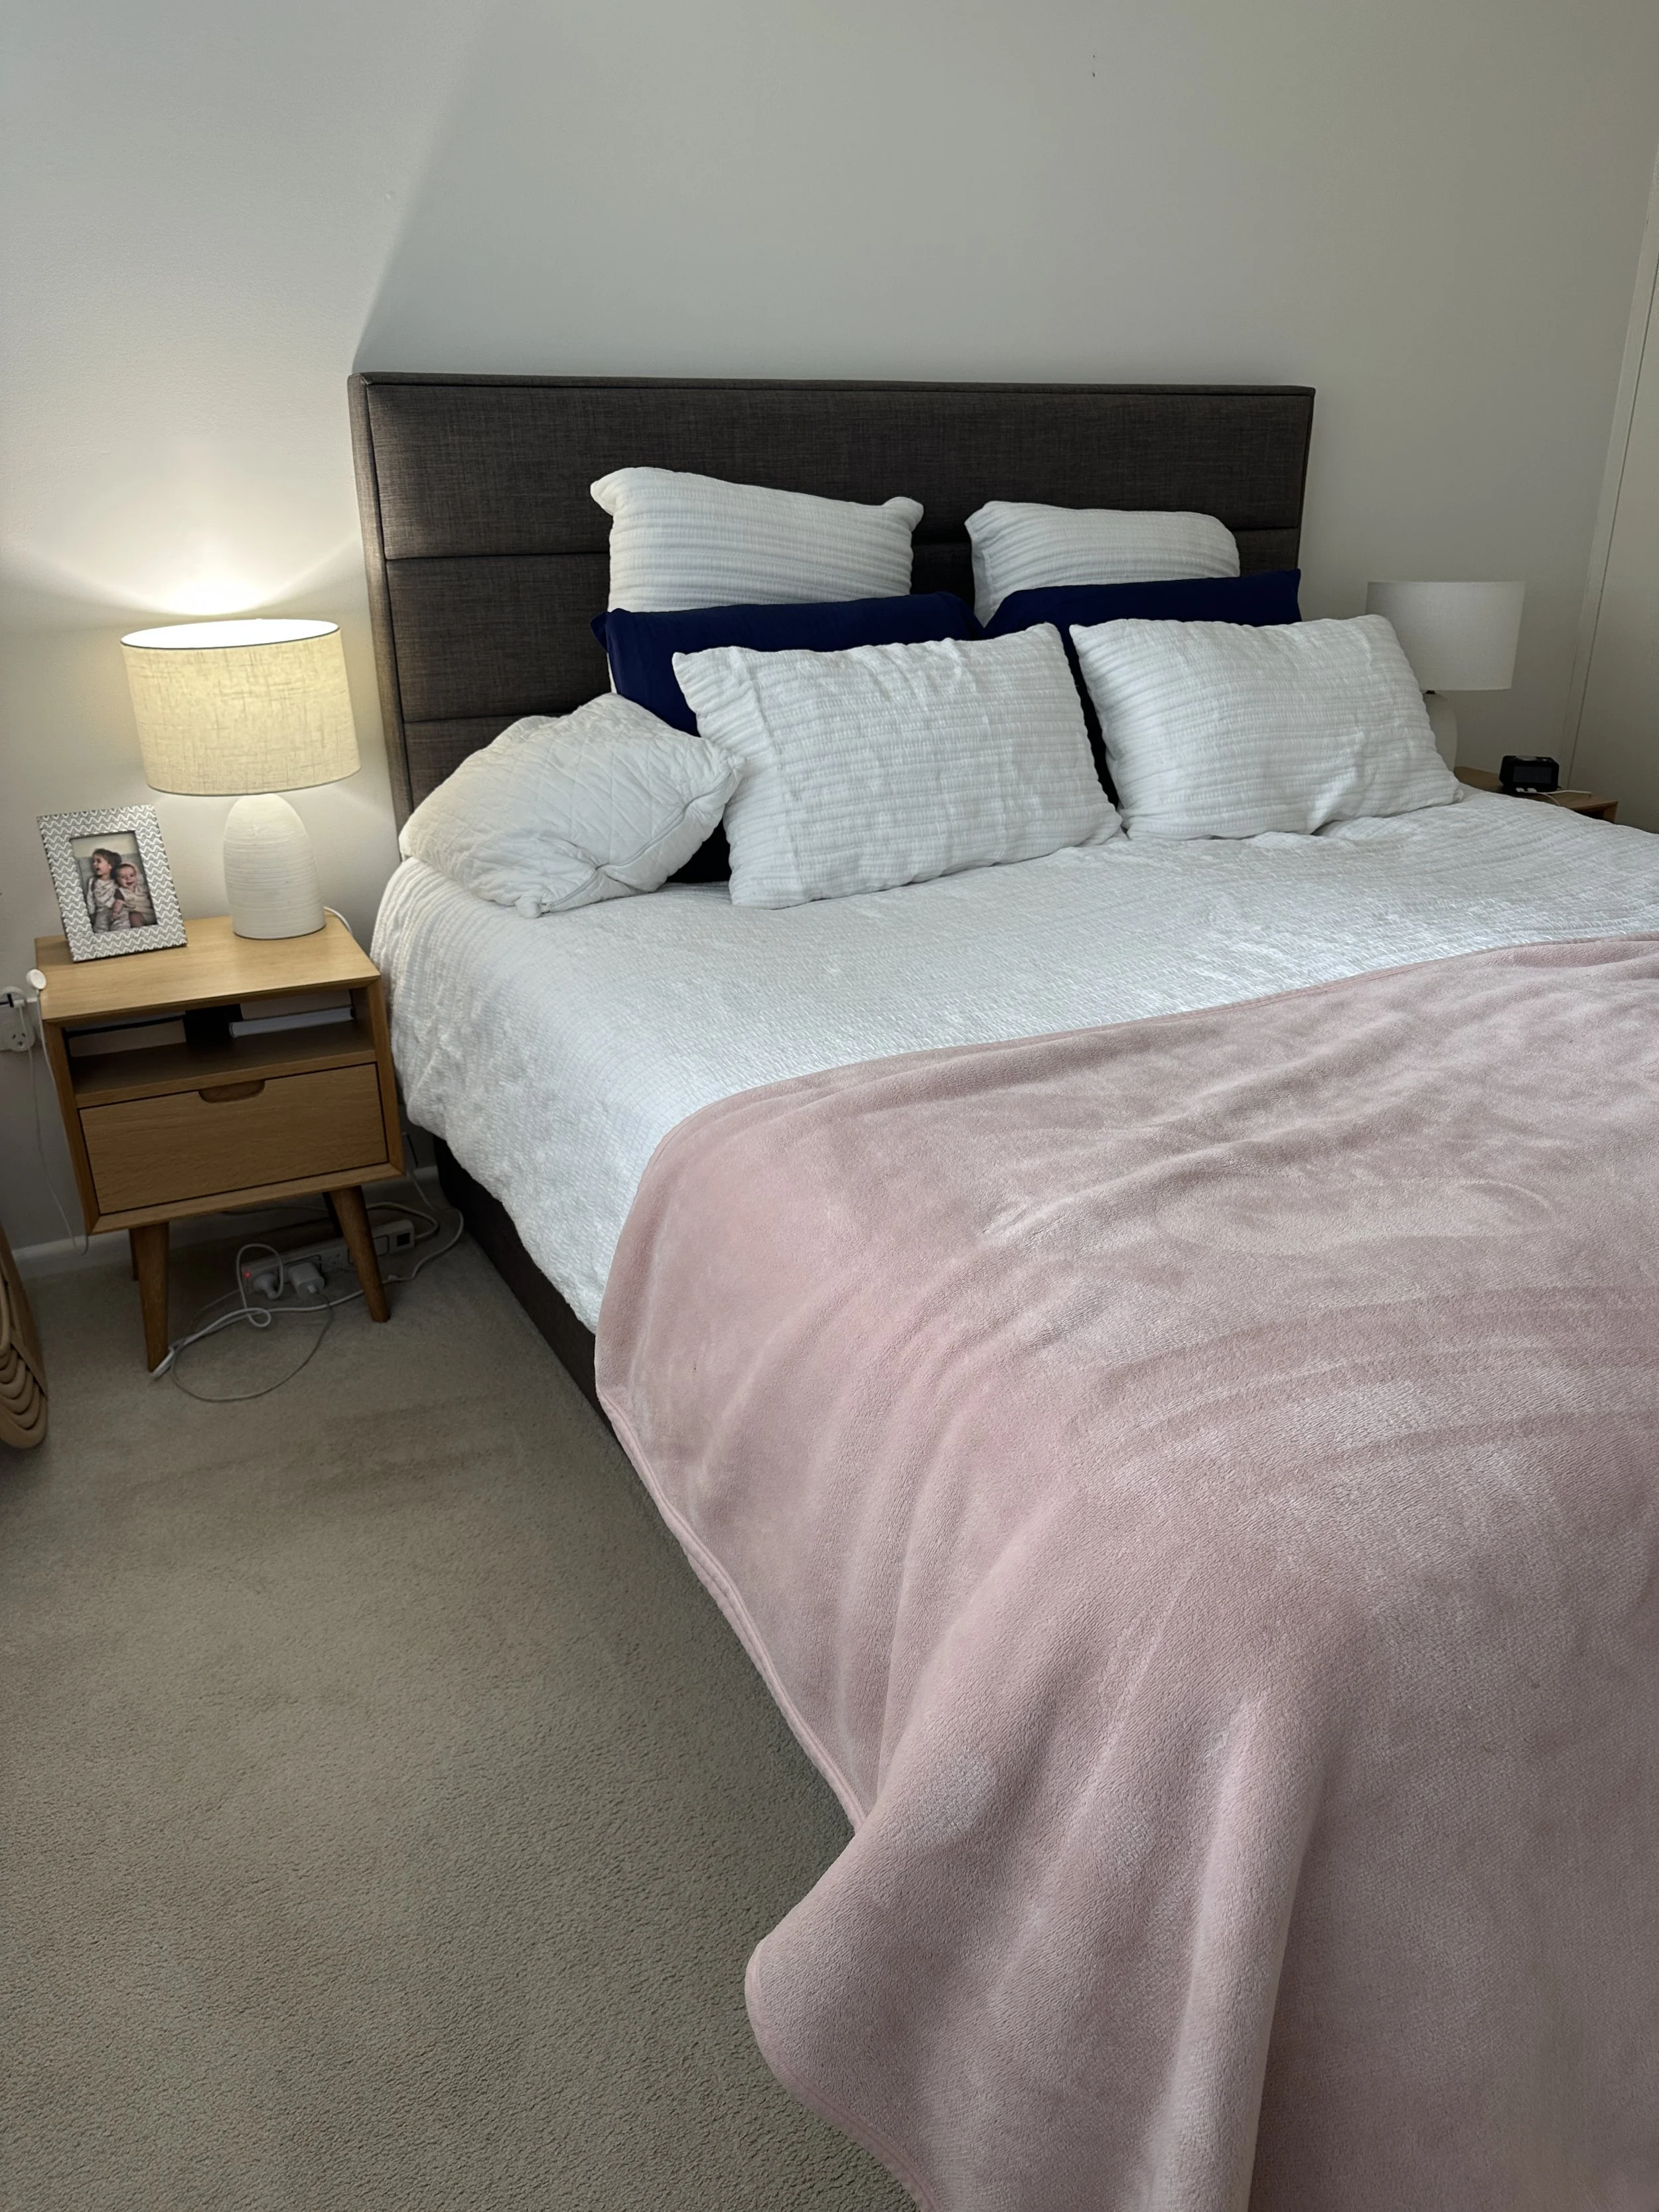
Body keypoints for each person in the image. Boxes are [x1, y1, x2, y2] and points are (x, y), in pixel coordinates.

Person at [84, 848, 121, 932]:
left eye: (98, 861)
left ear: (111, 865)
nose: (94, 864)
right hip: (102, 912)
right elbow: (90, 899)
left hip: (119, 910)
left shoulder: (118, 880)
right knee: (100, 930)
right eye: (93, 861)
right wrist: (92, 914)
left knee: (121, 927)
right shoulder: (93, 881)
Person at [111, 859, 154, 930]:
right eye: (123, 877)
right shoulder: (120, 891)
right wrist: (116, 912)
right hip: (139, 914)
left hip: (150, 912)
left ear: (136, 876)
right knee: (133, 917)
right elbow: (118, 902)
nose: (128, 878)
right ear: (117, 880)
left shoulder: (141, 887)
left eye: (132, 875)